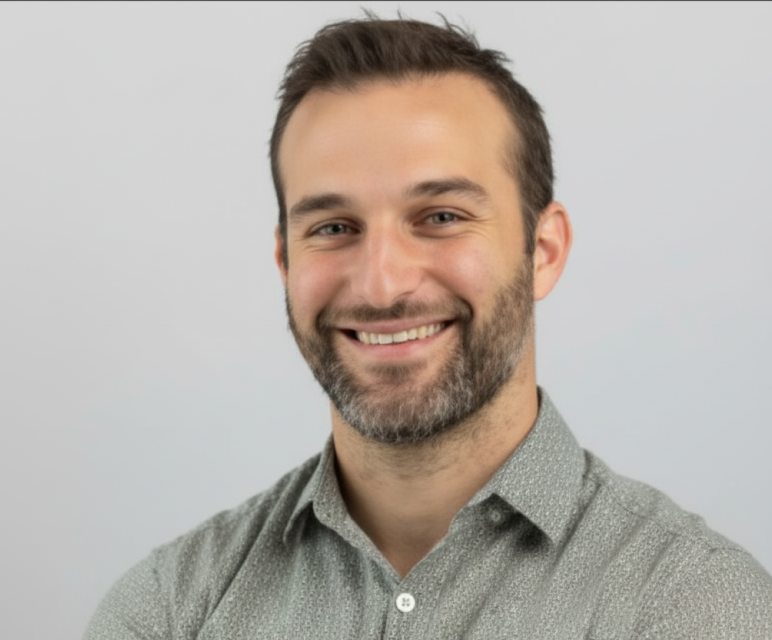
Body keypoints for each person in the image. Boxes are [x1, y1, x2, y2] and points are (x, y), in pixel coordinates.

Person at [84, 15, 772, 639]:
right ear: (284, 259)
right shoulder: (170, 612)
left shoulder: (695, 609)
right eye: (333, 228)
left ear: (544, 251)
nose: (382, 283)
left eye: (441, 216)